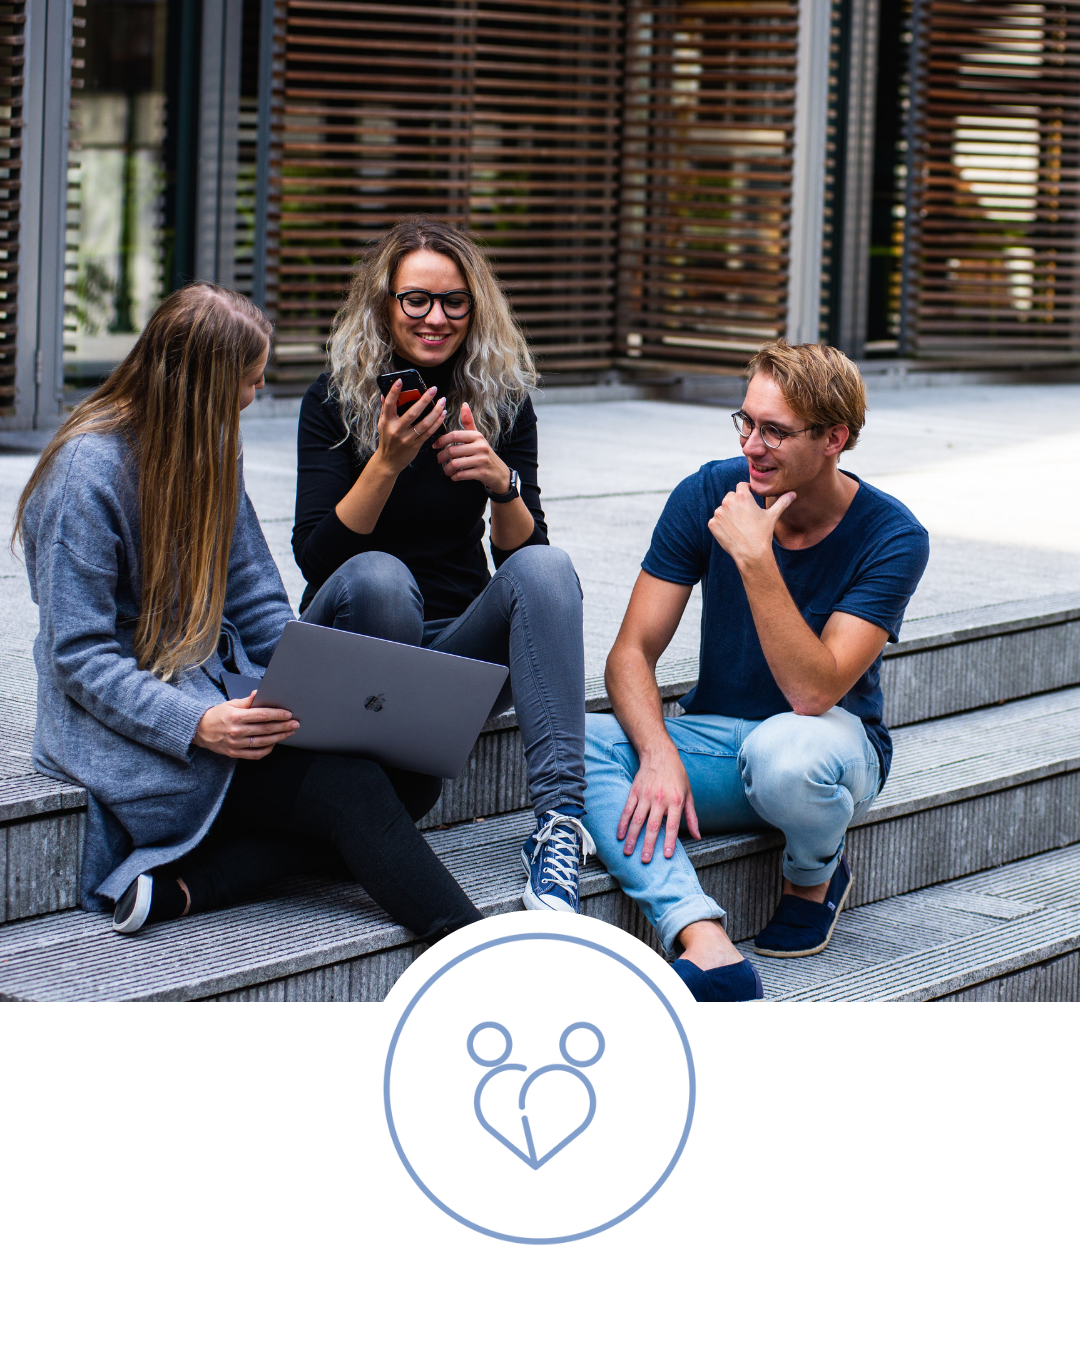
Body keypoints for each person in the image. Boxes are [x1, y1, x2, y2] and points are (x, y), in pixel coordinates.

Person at [14, 283, 483, 942]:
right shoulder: (84, 474)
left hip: (221, 695)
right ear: (204, 385)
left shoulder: (209, 447)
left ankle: (195, 884)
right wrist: (199, 722)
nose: (254, 396)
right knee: (351, 791)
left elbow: (257, 599)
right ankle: (478, 952)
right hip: (131, 726)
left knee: (410, 783)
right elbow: (80, 656)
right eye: (250, 381)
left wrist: (297, 687)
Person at [581, 340, 930, 1002]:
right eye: (746, 422)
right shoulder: (708, 492)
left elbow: (814, 690)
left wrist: (756, 559)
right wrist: (656, 753)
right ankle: (701, 938)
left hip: (827, 746)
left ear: (835, 438)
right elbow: (630, 653)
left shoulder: (893, 536)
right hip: (716, 741)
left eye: (774, 430)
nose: (752, 445)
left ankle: (813, 872)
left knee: (786, 753)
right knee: (573, 741)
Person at [292, 217, 593, 912]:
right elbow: (317, 556)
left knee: (550, 569)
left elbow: (524, 557)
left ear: (475, 305)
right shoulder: (335, 398)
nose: (436, 318)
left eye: (454, 300)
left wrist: (500, 484)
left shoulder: (500, 398)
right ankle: (373, 795)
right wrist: (387, 462)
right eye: (416, 300)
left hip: (455, 654)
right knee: (380, 577)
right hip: (358, 640)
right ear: (385, 303)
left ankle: (557, 826)